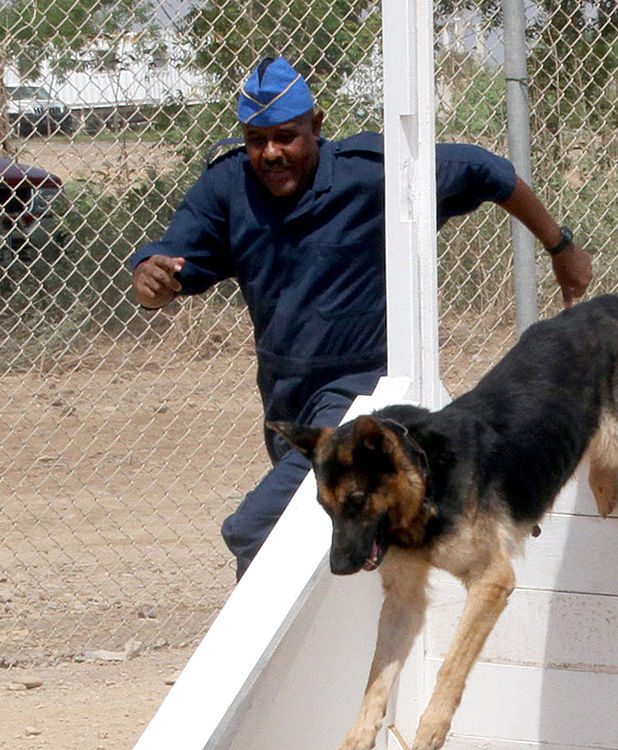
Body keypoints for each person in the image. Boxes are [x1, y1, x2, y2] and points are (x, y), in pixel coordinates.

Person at [131, 56, 593, 580]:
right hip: (288, 399)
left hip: (364, 394)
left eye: (286, 136)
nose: (271, 153)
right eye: (256, 139)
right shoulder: (228, 188)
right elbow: (166, 268)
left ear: (317, 126)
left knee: (258, 529)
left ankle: (271, 662)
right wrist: (151, 278)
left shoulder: (371, 173)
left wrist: (561, 246)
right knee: (331, 531)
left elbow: (487, 171)